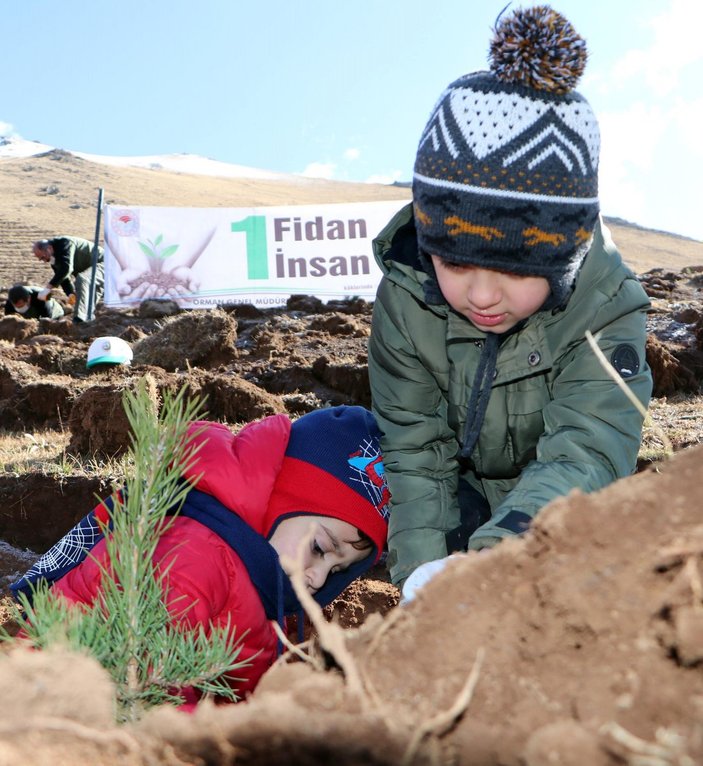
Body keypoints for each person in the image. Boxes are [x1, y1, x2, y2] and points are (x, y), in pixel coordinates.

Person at [367, 6, 653, 597]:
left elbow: (587, 449)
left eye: (513, 271)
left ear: (562, 255)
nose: (480, 295)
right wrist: (421, 572)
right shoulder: (405, 298)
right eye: (453, 262)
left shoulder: (607, 307)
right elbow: (416, 449)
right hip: (461, 495)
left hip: (553, 504)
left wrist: (495, 567)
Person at [11, 405, 390, 704]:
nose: (319, 578)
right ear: (277, 502)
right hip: (54, 705)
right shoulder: (193, 557)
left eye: (338, 570)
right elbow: (145, 689)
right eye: (320, 549)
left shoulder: (263, 579)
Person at [32, 236, 105, 323]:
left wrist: (48, 288)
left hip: (106, 263)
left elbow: (66, 269)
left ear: (49, 248)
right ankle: (88, 320)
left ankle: (79, 320)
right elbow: (64, 279)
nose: (44, 261)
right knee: (86, 295)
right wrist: (70, 294)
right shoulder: (54, 259)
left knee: (83, 279)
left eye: (43, 257)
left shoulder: (65, 243)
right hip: (92, 271)